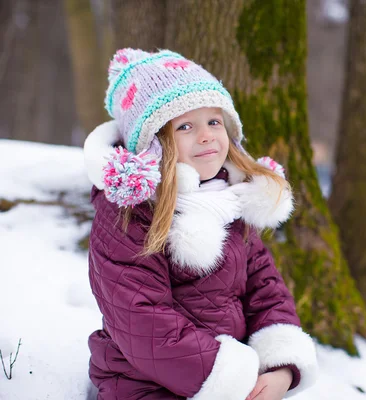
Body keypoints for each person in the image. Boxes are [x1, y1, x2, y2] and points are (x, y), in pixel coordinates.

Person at [82, 48, 318, 400]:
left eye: (214, 121)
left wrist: (280, 366)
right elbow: (142, 322)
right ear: (154, 144)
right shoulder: (130, 214)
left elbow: (265, 289)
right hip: (142, 382)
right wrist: (229, 378)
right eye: (186, 126)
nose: (207, 135)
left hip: (230, 382)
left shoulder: (228, 200)